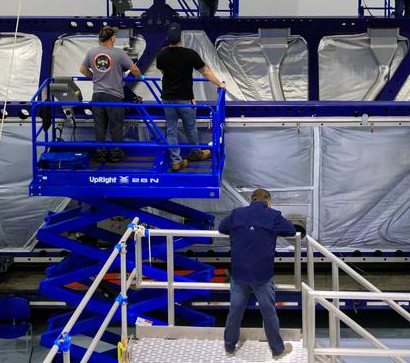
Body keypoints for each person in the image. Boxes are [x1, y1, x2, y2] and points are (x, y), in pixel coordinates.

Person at [219, 189, 295, 359]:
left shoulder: (237, 213)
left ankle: (229, 347)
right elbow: (290, 230)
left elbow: (222, 227)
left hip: (239, 273)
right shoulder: (272, 215)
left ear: (252, 199)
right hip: (262, 275)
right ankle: (277, 350)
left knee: (235, 310)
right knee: (268, 313)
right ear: (267, 200)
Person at [155, 22, 226, 172]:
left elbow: (163, 72)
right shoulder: (190, 54)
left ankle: (176, 161)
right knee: (190, 127)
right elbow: (206, 72)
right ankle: (195, 153)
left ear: (168, 39)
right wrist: (220, 84)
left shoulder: (161, 54)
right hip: (185, 99)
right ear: (180, 37)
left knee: (171, 129)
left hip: (167, 99)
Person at [80, 26, 142, 163]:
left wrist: (94, 77)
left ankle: (100, 153)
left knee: (99, 126)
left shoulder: (92, 52)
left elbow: (82, 69)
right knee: (116, 125)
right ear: (112, 38)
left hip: (97, 95)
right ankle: (116, 153)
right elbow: (135, 69)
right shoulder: (119, 54)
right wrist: (140, 77)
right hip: (114, 96)